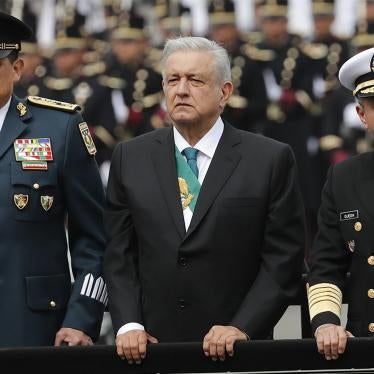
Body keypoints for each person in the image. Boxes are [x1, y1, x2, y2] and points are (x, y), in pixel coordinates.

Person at [104, 36, 305, 363]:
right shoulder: (130, 156)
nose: (181, 90)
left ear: (225, 92)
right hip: (152, 350)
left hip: (237, 352)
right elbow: (118, 253)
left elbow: (283, 260)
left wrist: (242, 327)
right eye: (173, 79)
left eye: (195, 80)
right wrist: (128, 323)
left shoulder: (269, 159)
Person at [0, 11, 106, 347]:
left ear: (17, 68)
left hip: (34, 325)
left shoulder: (58, 128)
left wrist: (81, 318)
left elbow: (95, 238)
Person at [307, 46, 374, 360]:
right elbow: (326, 265)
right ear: (361, 115)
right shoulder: (343, 177)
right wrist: (326, 323)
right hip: (364, 344)